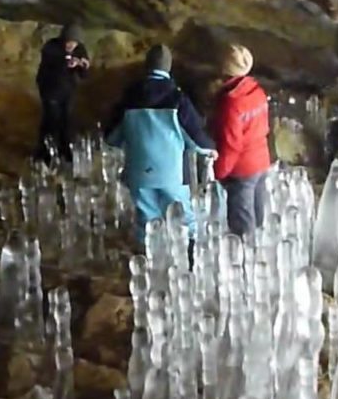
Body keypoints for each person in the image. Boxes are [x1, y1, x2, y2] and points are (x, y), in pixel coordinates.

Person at [104, 44, 216, 244]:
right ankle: (188, 259)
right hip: (171, 172)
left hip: (138, 171)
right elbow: (194, 134)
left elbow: (112, 137)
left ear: (146, 66)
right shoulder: (176, 98)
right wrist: (210, 149)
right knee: (183, 217)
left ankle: (148, 260)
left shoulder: (129, 98)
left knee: (146, 220)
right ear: (168, 68)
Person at [212, 44, 271, 238]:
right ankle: (262, 256)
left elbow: (231, 145)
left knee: (243, 228)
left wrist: (218, 172)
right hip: (261, 162)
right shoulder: (257, 91)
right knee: (259, 219)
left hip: (242, 170)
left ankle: (247, 263)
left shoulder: (231, 103)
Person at [34, 23, 89, 165]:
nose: (71, 46)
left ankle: (65, 154)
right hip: (50, 88)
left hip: (68, 90)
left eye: (74, 43)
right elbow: (50, 64)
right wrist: (66, 61)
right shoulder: (51, 47)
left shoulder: (80, 50)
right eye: (68, 42)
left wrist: (82, 66)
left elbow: (84, 74)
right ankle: (44, 155)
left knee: (67, 121)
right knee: (51, 121)